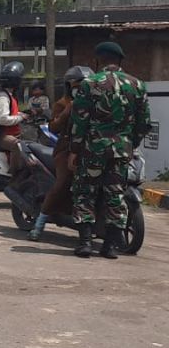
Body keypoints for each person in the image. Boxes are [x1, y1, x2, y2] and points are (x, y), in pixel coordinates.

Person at [68, 41, 151, 259]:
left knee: (85, 193)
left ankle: (85, 243)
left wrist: (74, 149)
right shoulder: (137, 85)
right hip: (122, 151)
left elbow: (79, 120)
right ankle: (110, 247)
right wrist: (131, 143)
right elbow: (144, 123)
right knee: (116, 196)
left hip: (93, 148)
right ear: (120, 60)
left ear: (98, 60)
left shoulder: (90, 84)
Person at [28, 66, 92, 241]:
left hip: (90, 150)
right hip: (65, 150)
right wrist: (68, 110)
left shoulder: (96, 102)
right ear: (69, 86)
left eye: (84, 84)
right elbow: (53, 127)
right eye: (77, 85)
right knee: (62, 183)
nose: (81, 88)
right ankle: (39, 224)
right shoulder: (62, 104)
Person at [0, 61, 28, 173]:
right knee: (17, 145)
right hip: (0, 135)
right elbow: (3, 119)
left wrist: (22, 115)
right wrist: (21, 118)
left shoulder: (10, 96)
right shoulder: (3, 97)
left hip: (9, 133)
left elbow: (11, 114)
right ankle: (13, 175)